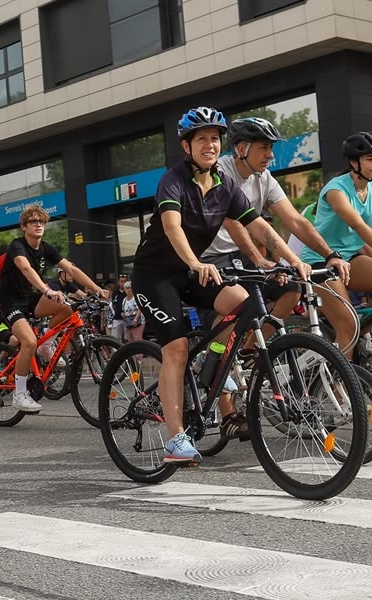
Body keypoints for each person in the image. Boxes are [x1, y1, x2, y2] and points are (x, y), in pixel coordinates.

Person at [132, 106, 310, 466]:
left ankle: (215, 367)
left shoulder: (224, 184)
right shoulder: (174, 180)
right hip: (155, 275)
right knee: (177, 349)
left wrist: (292, 260)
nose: (210, 144)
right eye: (202, 139)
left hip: (190, 272)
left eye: (215, 139)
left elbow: (257, 225)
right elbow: (172, 228)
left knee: (245, 305)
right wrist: (196, 262)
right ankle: (175, 439)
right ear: (187, 146)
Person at [200, 117, 351, 441]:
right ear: (242, 149)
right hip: (210, 258)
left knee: (292, 289)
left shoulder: (263, 178)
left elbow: (295, 220)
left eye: (271, 148)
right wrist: (259, 259)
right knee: (225, 324)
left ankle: (252, 347)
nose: (271, 155)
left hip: (245, 255)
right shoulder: (221, 172)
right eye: (265, 147)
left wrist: (329, 255)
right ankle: (227, 411)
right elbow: (234, 223)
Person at [0, 205, 109, 413]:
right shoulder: (17, 246)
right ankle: (20, 395)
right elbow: (25, 268)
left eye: (42, 221)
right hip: (10, 302)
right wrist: (47, 290)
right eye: (33, 221)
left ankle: (45, 343)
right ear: (23, 226)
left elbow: (71, 269)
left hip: (31, 299)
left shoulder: (46, 248)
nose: (38, 224)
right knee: (28, 341)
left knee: (67, 307)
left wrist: (96, 288)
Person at [294, 131, 372, 359]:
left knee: (353, 321)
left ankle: (352, 329)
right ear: (354, 162)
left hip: (350, 259)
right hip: (319, 261)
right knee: (347, 324)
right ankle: (342, 386)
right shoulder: (336, 189)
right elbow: (357, 223)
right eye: (369, 158)